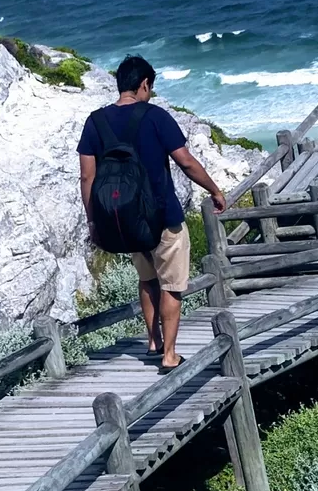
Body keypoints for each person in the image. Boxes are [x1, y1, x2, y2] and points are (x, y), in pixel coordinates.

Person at [78, 56, 227, 373]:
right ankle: (169, 355)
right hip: (162, 216)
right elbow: (185, 161)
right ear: (144, 84)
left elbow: (87, 178)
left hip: (125, 218)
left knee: (147, 279)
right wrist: (214, 190)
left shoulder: (95, 122)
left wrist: (93, 221)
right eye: (151, 86)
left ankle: (153, 340)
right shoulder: (156, 117)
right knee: (172, 285)